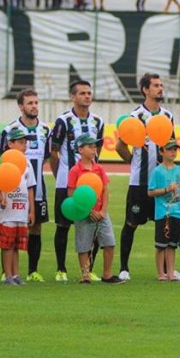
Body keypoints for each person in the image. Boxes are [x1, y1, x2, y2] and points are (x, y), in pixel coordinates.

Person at [117, 73, 180, 281]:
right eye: (155, 85)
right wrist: (133, 163)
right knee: (131, 223)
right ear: (145, 89)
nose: (160, 88)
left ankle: (167, 270)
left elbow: (170, 146)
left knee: (165, 223)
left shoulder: (167, 116)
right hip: (140, 182)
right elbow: (120, 145)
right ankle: (124, 268)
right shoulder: (135, 116)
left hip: (162, 182)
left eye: (161, 85)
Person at [50, 80, 105, 282]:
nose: (87, 96)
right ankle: (61, 269)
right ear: (73, 97)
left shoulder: (98, 122)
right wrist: (61, 177)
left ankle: (88, 269)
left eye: (89, 92)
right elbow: (53, 152)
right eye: (82, 93)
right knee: (63, 226)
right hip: (67, 183)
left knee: (94, 227)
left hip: (91, 186)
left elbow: (96, 154)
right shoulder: (63, 121)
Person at [0, 89, 51, 283]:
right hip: (14, 193)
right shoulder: (9, 129)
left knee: (35, 229)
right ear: (21, 106)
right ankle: (7, 272)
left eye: (36, 102)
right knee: (9, 232)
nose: (34, 106)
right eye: (30, 103)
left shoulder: (45, 129)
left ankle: (32, 271)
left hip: (37, 189)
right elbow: (2, 160)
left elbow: (46, 156)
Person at [67, 134, 124, 284]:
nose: (94, 150)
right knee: (84, 245)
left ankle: (107, 274)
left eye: (95, 147)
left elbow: (105, 190)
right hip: (83, 213)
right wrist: (88, 211)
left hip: (101, 212)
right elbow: (72, 194)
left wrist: (103, 211)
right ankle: (85, 275)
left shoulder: (99, 169)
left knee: (109, 242)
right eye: (90, 147)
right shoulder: (75, 170)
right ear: (80, 149)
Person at [0, 129, 36, 285]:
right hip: (8, 212)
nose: (24, 146)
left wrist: (32, 211)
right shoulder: (4, 163)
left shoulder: (27, 163)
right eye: (21, 142)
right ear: (10, 144)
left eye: (25, 143)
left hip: (22, 211)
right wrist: (1, 199)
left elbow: (30, 188)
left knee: (17, 245)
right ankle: (8, 275)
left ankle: (16, 274)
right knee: (7, 245)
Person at [148, 139, 180, 281]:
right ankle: (161, 273)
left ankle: (171, 272)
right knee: (161, 245)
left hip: (176, 212)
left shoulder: (179, 170)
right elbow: (150, 192)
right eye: (170, 149)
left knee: (172, 245)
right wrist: (166, 189)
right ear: (162, 152)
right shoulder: (157, 171)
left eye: (175, 149)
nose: (173, 152)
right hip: (162, 212)